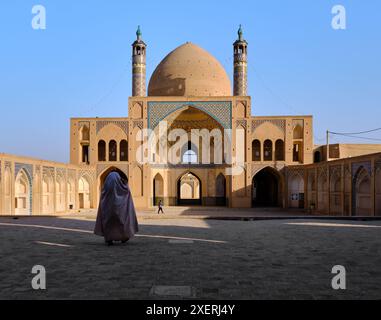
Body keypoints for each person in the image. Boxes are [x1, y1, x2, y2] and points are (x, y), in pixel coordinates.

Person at [94, 172, 139, 246]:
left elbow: (102, 198)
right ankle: (123, 237)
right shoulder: (123, 189)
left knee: (109, 223)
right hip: (121, 211)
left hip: (108, 212)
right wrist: (125, 184)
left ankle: (109, 239)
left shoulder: (105, 190)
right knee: (122, 222)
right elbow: (126, 191)